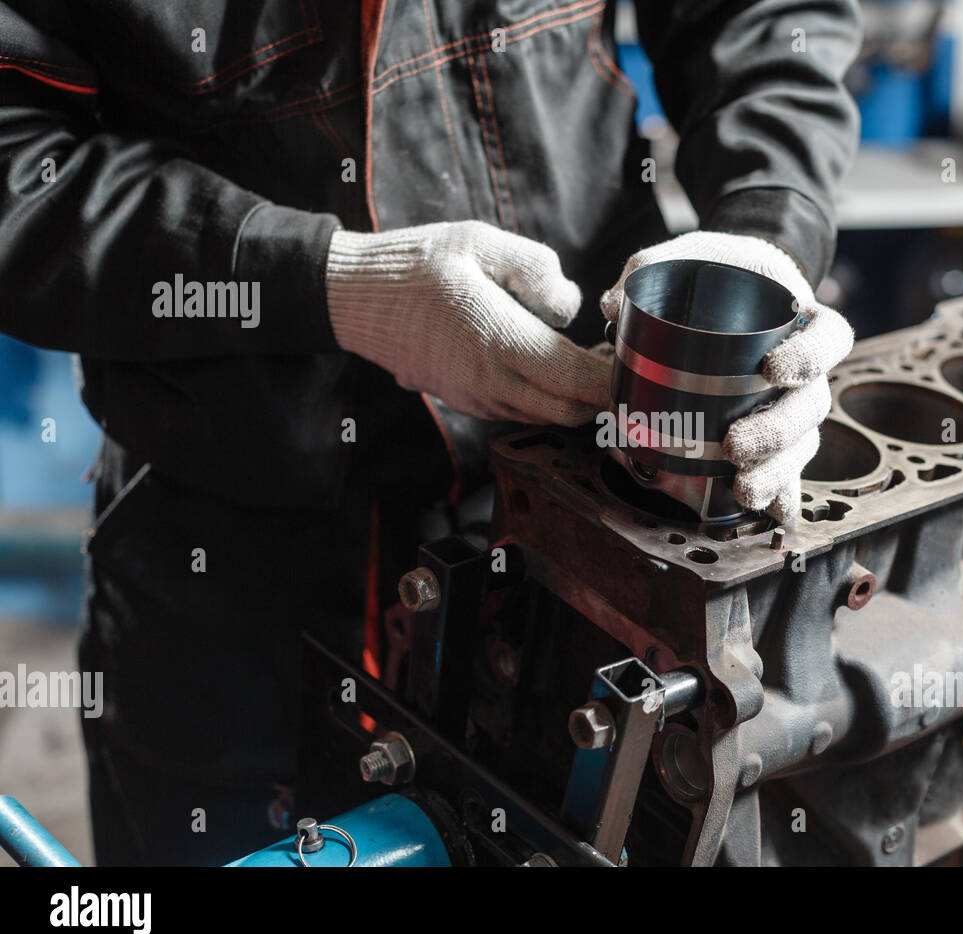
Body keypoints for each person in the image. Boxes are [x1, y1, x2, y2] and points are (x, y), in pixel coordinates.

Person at [0, 1, 862, 864]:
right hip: (230, 563)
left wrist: (767, 236)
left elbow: (762, 19)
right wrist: (330, 282)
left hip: (588, 526)